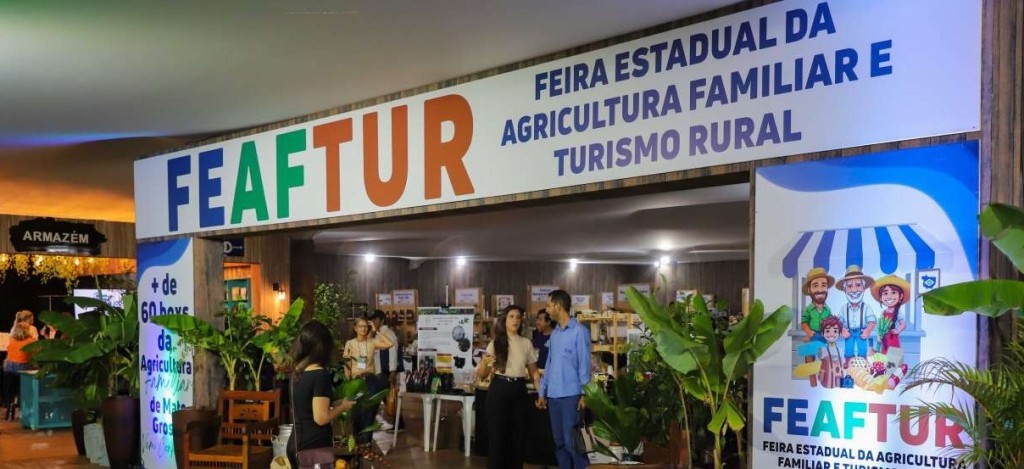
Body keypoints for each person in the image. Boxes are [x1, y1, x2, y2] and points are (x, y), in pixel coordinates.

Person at [477, 305, 541, 469]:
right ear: (504, 320)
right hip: (499, 390)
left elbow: (534, 373)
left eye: (518, 317)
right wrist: (484, 363)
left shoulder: (526, 343)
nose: (515, 320)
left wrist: (541, 393)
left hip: (519, 390)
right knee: (497, 439)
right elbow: (482, 375)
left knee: (517, 439)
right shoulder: (495, 344)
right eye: (511, 317)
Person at [287, 321, 357, 468]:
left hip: (296, 443)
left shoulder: (297, 373)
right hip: (314, 448)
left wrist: (335, 403)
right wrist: (342, 407)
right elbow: (321, 418)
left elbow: (306, 405)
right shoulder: (320, 375)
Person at [537, 290, 591, 469]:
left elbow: (584, 364)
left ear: (558, 306)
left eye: (549, 305)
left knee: (572, 442)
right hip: (553, 396)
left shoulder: (579, 331)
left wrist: (585, 393)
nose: (547, 309)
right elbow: (549, 364)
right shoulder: (555, 334)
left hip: (571, 395)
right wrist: (542, 391)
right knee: (559, 442)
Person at [344, 317, 394, 444]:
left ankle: (367, 442)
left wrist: (376, 331)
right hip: (356, 381)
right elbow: (347, 365)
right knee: (356, 412)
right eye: (360, 326)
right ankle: (357, 441)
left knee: (370, 412)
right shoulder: (350, 344)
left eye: (365, 326)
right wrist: (348, 383)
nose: (363, 328)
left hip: (371, 380)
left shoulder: (372, 342)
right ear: (355, 328)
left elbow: (390, 344)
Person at [799, 267, 834, 387]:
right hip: (812, 336)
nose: (820, 289)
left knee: (826, 358)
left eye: (823, 285)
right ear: (809, 289)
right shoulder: (808, 309)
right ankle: (812, 382)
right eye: (815, 286)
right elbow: (803, 323)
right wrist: (808, 331)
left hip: (824, 338)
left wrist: (829, 332)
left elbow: (831, 323)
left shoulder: (827, 309)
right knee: (809, 357)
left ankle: (824, 380)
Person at [835, 266, 877, 364]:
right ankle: (848, 362)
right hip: (848, 331)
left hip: (861, 331)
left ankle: (863, 362)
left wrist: (867, 330)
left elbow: (872, 321)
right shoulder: (844, 308)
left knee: (862, 348)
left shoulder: (866, 307)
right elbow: (838, 321)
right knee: (848, 348)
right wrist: (842, 330)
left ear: (864, 288)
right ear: (845, 290)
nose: (854, 290)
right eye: (849, 286)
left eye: (858, 285)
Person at [370, 310, 398, 431]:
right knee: (387, 398)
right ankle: (399, 422)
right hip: (378, 371)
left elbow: (393, 352)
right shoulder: (376, 334)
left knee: (378, 398)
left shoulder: (388, 333)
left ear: (382, 320)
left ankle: (369, 424)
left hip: (384, 372)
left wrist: (392, 370)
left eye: (375, 319)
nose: (373, 321)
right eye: (372, 319)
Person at [871, 275, 910, 354]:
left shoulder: (898, 312)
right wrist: (879, 336)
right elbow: (880, 326)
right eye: (885, 293)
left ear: (900, 296)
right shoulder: (883, 312)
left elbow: (903, 324)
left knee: (893, 355)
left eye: (893, 292)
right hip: (884, 339)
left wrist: (897, 330)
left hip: (893, 338)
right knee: (884, 354)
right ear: (881, 298)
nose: (889, 296)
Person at [816, 316, 845, 389]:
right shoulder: (822, 350)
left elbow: (842, 364)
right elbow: (819, 365)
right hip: (826, 381)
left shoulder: (840, 350)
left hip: (838, 381)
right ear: (822, 333)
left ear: (839, 334)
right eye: (828, 331)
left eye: (835, 331)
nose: (831, 334)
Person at [532, 309, 553, 373]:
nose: (537, 322)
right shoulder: (536, 335)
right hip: (538, 372)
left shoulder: (556, 337)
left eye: (540, 320)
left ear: (548, 322)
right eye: (537, 319)